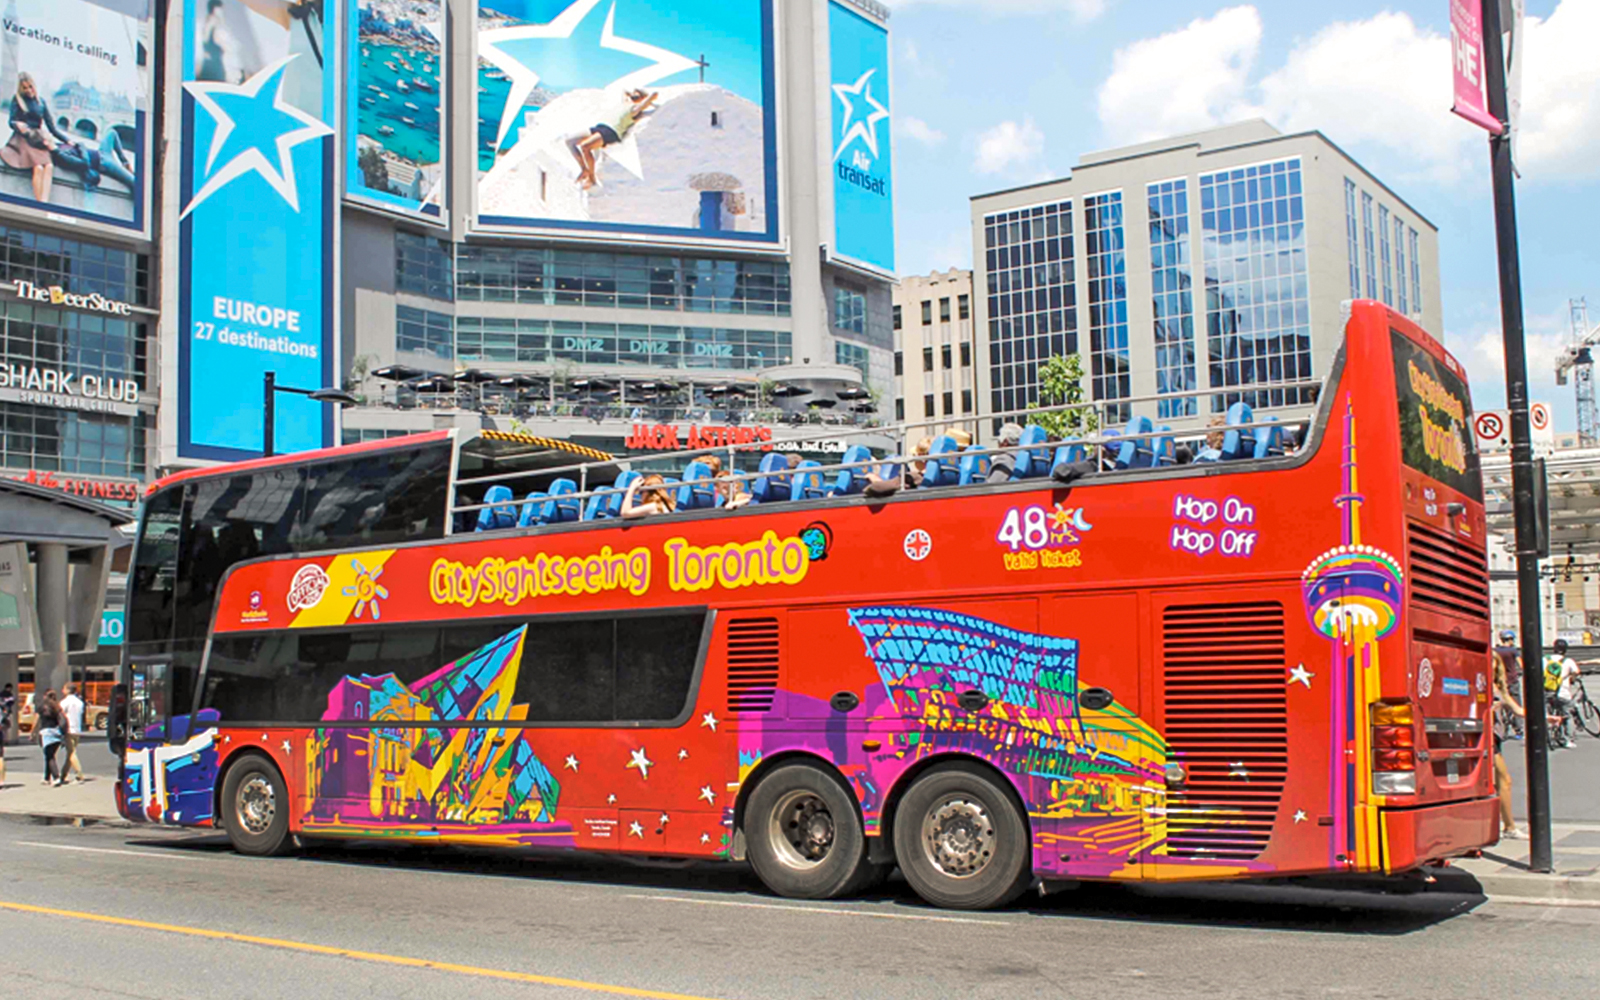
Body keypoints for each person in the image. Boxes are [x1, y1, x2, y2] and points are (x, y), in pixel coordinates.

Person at [3, 73, 70, 203]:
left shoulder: (41, 102)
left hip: (37, 139)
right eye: (25, 88)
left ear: (34, 86)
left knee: (49, 166)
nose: (28, 90)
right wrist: (18, 125)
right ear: (21, 89)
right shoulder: (17, 100)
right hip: (23, 138)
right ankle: (40, 204)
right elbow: (11, 121)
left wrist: (67, 140)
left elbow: (52, 128)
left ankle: (44, 202)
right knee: (38, 168)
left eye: (30, 87)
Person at [572, 89, 658, 190]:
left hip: (611, 131)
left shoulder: (635, 109)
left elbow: (653, 95)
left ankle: (591, 178)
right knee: (571, 142)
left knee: (585, 147)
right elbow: (624, 92)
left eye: (637, 96)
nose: (633, 96)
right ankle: (584, 169)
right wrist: (632, 94)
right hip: (601, 126)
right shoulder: (625, 103)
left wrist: (647, 99)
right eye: (633, 95)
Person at [1492, 651, 1526, 839]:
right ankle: (1509, 827)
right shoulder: (1478, 684)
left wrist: (1545, 718)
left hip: (1495, 737)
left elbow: (1518, 710)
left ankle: (1507, 826)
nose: (1492, 667)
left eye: (1495, 663)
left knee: (1501, 781)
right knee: (1503, 780)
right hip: (1485, 738)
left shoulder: (1498, 689)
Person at [1543, 640, 1582, 749]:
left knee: (1546, 713)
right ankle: (1568, 739)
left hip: (1547, 691)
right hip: (1563, 692)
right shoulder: (1568, 661)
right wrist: (1571, 679)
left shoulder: (1545, 659)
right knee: (1567, 715)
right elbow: (1576, 672)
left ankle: (1546, 735)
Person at [34, 689, 65, 787]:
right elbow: (62, 720)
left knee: (49, 756)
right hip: (56, 732)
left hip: (46, 733)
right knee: (49, 755)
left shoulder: (42, 707)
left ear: (45, 696)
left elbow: (36, 720)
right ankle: (46, 777)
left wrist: (33, 732)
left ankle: (56, 777)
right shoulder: (57, 707)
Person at [59, 682, 86, 784]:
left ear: (67, 690)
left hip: (68, 729)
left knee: (71, 753)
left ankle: (79, 775)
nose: (62, 691)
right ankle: (63, 774)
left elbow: (60, 715)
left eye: (64, 689)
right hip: (77, 729)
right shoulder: (80, 702)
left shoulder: (64, 702)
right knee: (70, 752)